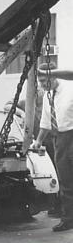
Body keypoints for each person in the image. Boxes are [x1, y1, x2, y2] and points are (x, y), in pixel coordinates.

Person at [4, 78, 59, 216]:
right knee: (48, 173)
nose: (37, 92)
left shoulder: (51, 101)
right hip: (40, 143)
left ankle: (60, 206)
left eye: (39, 89)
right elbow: (7, 106)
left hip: (55, 140)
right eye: (34, 91)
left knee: (61, 172)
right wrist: (22, 113)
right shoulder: (26, 103)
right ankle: (54, 205)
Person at [32, 62, 73, 231]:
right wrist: (39, 140)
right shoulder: (48, 96)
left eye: (45, 80)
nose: (42, 85)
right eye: (40, 81)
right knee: (66, 182)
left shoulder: (70, 88)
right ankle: (69, 219)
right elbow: (46, 122)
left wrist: (47, 71)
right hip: (59, 139)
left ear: (54, 75)